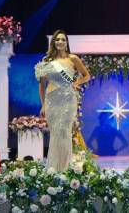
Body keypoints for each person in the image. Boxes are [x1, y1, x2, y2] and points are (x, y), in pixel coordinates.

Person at [35, 29, 90, 171]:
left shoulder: (73, 59)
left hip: (68, 100)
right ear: (53, 42)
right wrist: (43, 106)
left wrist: (77, 83)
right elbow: (42, 86)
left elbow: (86, 75)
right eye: (57, 39)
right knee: (55, 133)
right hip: (52, 101)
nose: (60, 42)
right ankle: (53, 167)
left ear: (66, 43)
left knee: (64, 131)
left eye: (63, 40)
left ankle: (65, 167)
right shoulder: (47, 61)